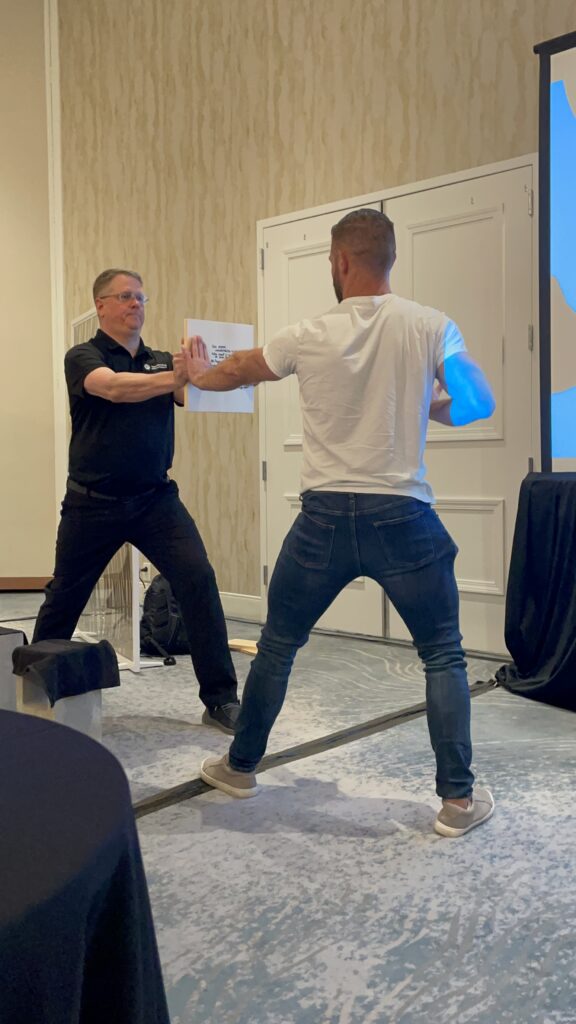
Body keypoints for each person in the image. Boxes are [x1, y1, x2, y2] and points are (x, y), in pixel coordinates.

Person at [186, 209, 496, 837]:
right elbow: (476, 402)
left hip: (322, 520)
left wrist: (194, 375)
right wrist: (419, 404)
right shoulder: (433, 326)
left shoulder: (306, 332)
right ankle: (458, 804)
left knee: (277, 645)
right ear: (390, 261)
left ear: (340, 262)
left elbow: (240, 368)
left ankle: (241, 768)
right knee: (443, 656)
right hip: (403, 516)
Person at [33, 268, 240, 734]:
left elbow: (199, 389)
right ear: (101, 305)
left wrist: (230, 367)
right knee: (65, 596)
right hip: (93, 503)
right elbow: (112, 388)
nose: (136, 305)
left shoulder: (162, 359)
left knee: (198, 580)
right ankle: (36, 688)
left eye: (141, 298)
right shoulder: (82, 357)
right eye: (125, 297)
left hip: (155, 501)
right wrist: (177, 376)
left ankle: (221, 698)